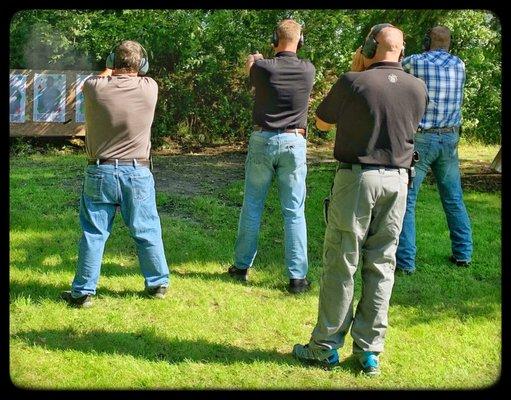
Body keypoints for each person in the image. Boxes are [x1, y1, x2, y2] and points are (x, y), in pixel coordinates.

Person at [292, 24, 428, 375]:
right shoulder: (418, 88)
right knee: (382, 264)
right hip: (398, 181)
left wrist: (357, 71)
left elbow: (321, 122)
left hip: (358, 179)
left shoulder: (353, 81)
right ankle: (370, 351)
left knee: (342, 261)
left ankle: (324, 346)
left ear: (370, 46)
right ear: (401, 50)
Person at [61, 40, 170, 307]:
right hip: (138, 171)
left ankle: (84, 291)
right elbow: (139, 76)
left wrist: (108, 68)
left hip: (101, 170)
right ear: (141, 64)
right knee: (147, 229)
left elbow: (100, 79)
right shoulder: (150, 88)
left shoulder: (94, 87)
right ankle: (157, 283)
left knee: (94, 233)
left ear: (111, 61)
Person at [227, 19, 316, 294]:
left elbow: (252, 70)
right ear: (300, 42)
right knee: (294, 211)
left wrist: (254, 59)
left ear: (274, 40)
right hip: (294, 141)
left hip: (263, 139)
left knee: (252, 206)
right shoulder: (308, 69)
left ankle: (241, 267)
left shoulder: (263, 67)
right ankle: (297, 278)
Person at [396, 26, 473, 275]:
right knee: (453, 198)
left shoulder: (416, 62)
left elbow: (393, 66)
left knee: (408, 201)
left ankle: (406, 262)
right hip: (450, 138)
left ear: (427, 40)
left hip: (421, 138)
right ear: (450, 43)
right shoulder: (460, 65)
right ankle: (463, 253)